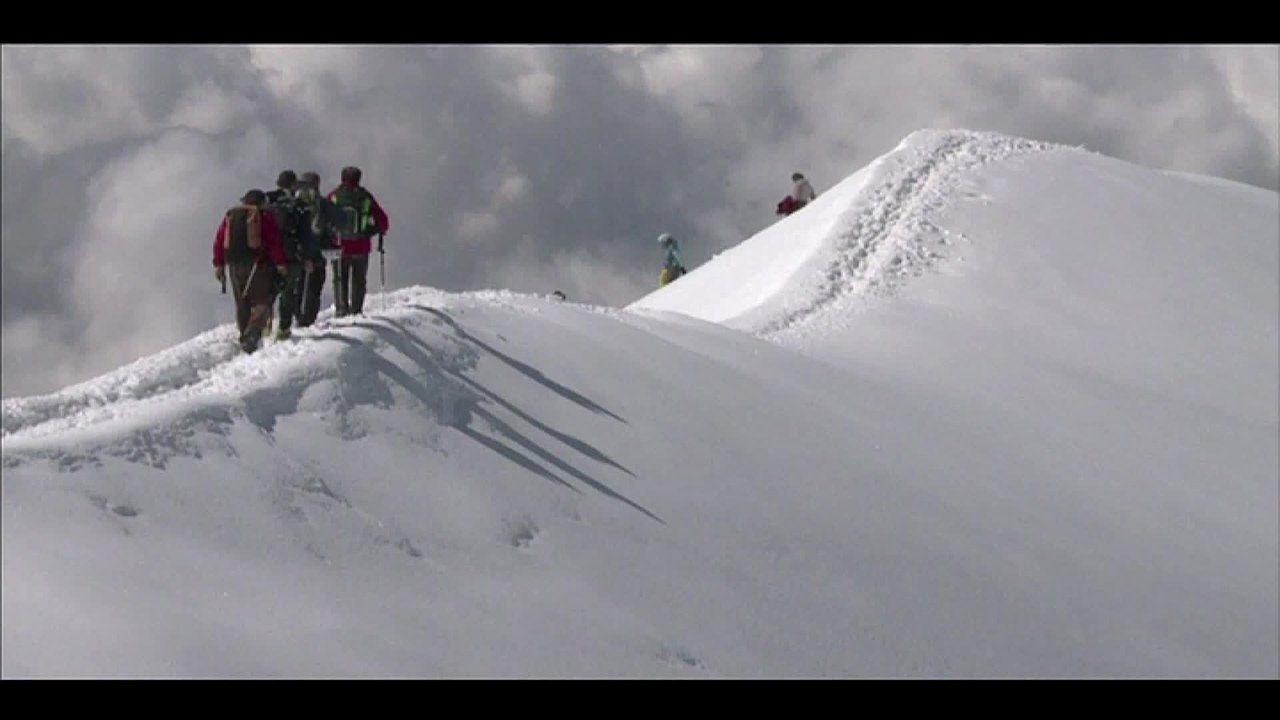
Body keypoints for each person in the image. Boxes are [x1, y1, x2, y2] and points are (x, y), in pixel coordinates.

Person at [213, 189, 289, 353]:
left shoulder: (231, 216)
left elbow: (219, 240)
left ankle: (244, 334)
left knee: (242, 302)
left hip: (234, 265)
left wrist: (219, 264)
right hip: (258, 263)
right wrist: (280, 264)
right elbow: (273, 242)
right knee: (263, 300)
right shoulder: (264, 216)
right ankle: (253, 332)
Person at [326, 166, 390, 317]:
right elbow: (383, 221)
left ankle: (341, 309)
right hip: (361, 246)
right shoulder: (365, 196)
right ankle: (356, 310)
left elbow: (324, 218)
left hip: (338, 245)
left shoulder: (334, 196)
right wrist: (374, 231)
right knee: (359, 280)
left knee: (339, 278)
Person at [291, 171, 344, 328]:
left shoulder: (293, 203)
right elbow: (341, 220)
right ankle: (308, 318)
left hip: (296, 253)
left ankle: (297, 315)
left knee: (296, 286)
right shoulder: (322, 204)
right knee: (314, 286)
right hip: (316, 253)